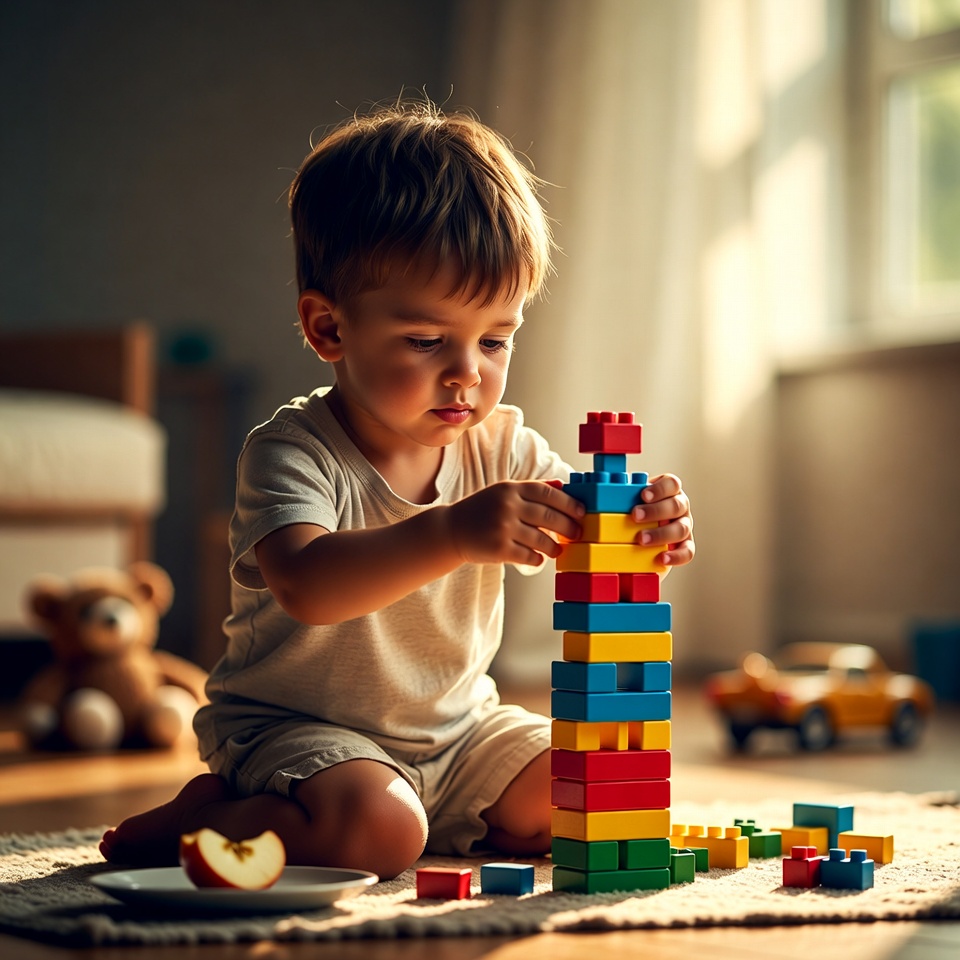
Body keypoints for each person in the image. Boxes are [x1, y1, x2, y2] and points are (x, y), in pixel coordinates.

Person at [100, 99, 695, 880]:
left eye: (495, 339)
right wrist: (451, 533)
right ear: (328, 330)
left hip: (458, 732)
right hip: (296, 732)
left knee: (594, 788)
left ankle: (430, 816)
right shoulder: (290, 451)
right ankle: (207, 820)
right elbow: (308, 586)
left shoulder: (504, 446)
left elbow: (580, 522)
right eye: (426, 341)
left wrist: (644, 522)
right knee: (382, 834)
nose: (467, 372)